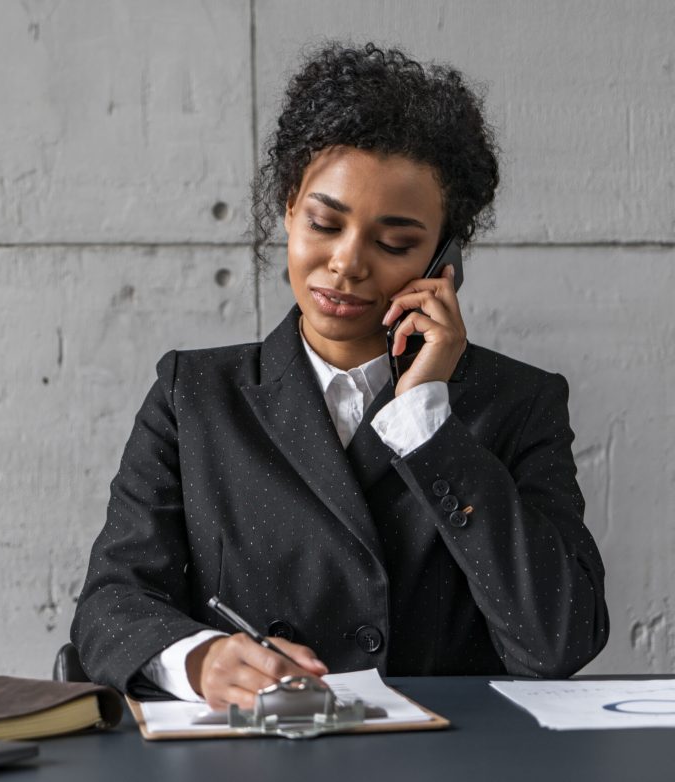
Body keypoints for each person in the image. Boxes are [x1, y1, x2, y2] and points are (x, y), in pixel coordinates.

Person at [71, 42, 608, 709]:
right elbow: (110, 605)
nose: (347, 264)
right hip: (258, 757)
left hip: (449, 761)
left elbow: (557, 639)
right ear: (288, 209)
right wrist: (201, 658)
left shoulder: (518, 403)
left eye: (394, 243)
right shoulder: (195, 395)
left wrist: (427, 421)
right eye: (325, 223)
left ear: (444, 260)